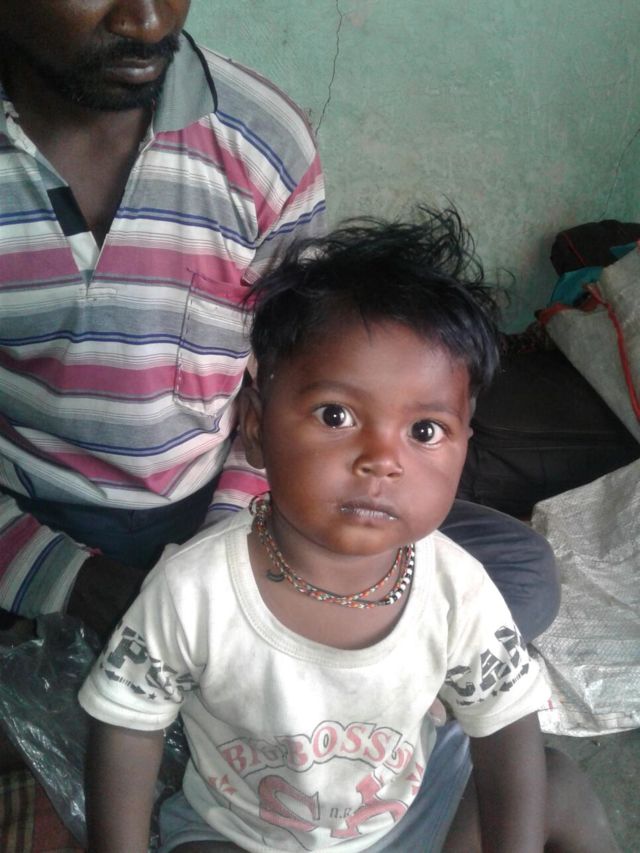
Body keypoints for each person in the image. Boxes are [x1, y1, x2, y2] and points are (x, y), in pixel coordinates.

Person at [0, 4, 556, 642]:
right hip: (36, 509)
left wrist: (224, 549)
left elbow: (293, 381)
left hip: (244, 491)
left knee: (520, 573)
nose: (148, 20)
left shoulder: (260, 141)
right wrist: (70, 583)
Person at [79, 208, 618, 853]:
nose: (382, 460)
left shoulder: (459, 588)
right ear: (255, 427)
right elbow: (128, 726)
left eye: (424, 431)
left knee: (557, 785)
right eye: (336, 415)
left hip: (414, 811)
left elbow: (507, 731)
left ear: (464, 448)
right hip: (244, 833)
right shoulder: (192, 588)